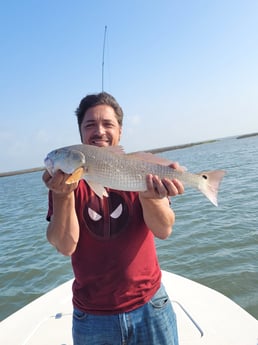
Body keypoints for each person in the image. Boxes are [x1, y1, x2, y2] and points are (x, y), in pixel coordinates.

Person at [42, 92, 184, 345]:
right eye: (90, 125)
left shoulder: (141, 172)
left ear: (120, 131)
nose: (99, 131)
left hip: (150, 305)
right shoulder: (65, 183)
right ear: (81, 137)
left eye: (108, 124)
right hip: (93, 317)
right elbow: (65, 246)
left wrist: (150, 197)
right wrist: (62, 197)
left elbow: (164, 230)